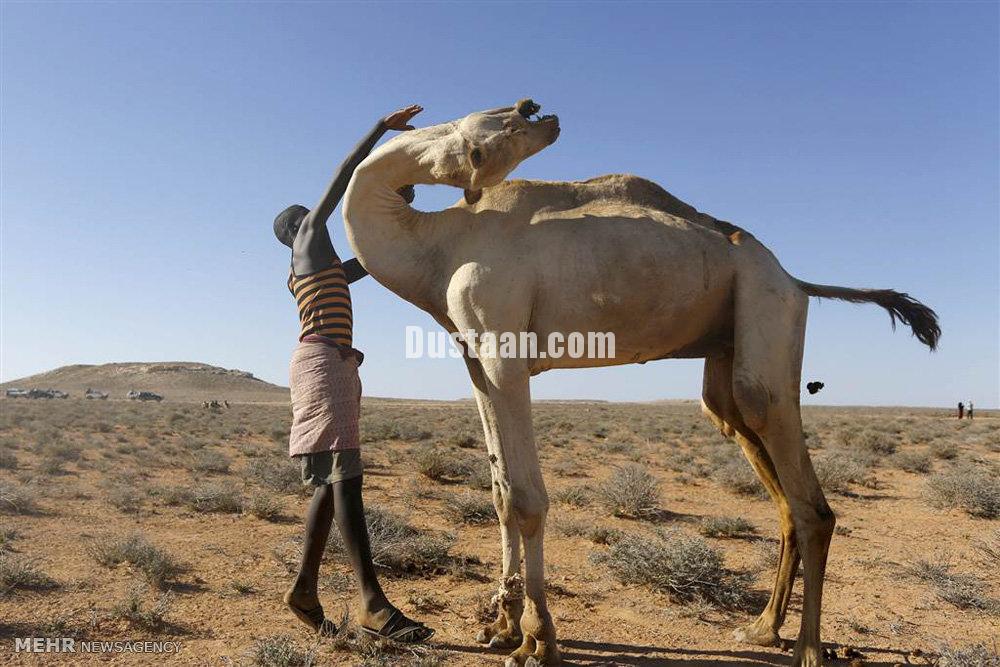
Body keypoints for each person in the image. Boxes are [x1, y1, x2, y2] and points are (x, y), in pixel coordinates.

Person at [274, 104, 433, 642]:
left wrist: (396, 206)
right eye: (309, 215)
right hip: (324, 364)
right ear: (299, 228)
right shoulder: (306, 242)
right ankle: (372, 603)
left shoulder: (322, 271)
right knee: (348, 479)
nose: (318, 219)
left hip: (333, 363)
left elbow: (368, 259)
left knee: (331, 481)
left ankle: (303, 590)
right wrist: (380, 132)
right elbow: (343, 176)